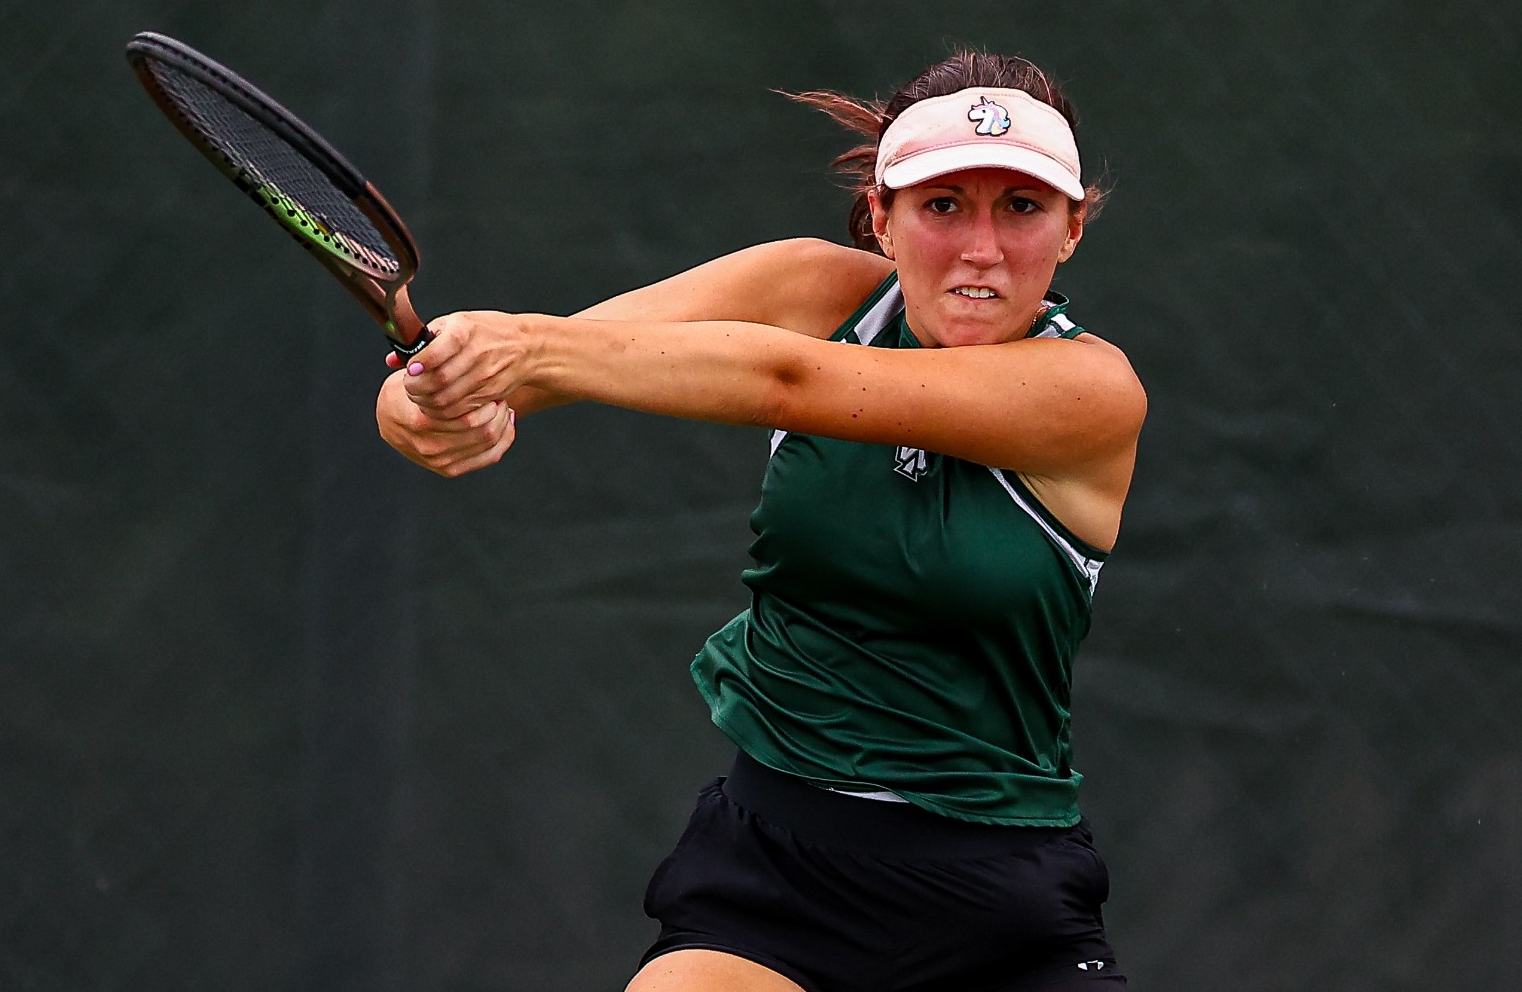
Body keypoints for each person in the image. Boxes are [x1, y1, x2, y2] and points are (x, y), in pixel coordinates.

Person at [378, 51, 1146, 992]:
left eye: (1020, 208)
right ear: (881, 216)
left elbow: (777, 377)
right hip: (772, 884)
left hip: (1004, 909)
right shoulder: (812, 292)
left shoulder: (1093, 392)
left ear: (1071, 229)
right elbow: (560, 356)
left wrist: (527, 348)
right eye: (943, 205)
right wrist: (432, 398)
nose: (981, 247)